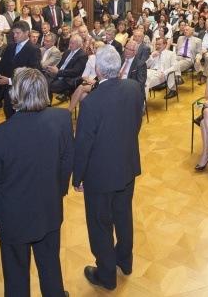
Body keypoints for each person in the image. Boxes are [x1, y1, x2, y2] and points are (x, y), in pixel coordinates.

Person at [0, 68, 73, 296]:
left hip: (13, 218)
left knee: (16, 275)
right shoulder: (61, 119)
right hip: (49, 209)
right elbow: (68, 158)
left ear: (14, 94)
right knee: (51, 266)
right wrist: (57, 191)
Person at [73, 47, 144, 291]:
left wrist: (77, 177)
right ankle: (125, 261)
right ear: (120, 67)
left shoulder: (91, 103)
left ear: (99, 71)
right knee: (123, 216)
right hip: (127, 166)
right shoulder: (135, 88)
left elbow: (83, 145)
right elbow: (136, 124)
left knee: (100, 225)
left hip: (100, 176)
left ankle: (106, 276)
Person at [0, 21, 42, 118]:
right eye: (13, 33)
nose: (15, 36)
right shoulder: (10, 46)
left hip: (23, 92)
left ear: (26, 33)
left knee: (22, 118)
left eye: (18, 33)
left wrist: (9, 81)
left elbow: (33, 73)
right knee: (9, 116)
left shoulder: (33, 49)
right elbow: (2, 63)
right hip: (8, 91)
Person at [46, 35, 88, 101]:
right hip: (59, 74)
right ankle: (47, 102)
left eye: (72, 43)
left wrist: (58, 71)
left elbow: (76, 71)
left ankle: (47, 104)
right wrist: (54, 68)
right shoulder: (67, 52)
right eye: (69, 43)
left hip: (69, 79)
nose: (70, 45)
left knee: (49, 86)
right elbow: (60, 65)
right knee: (45, 77)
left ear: (79, 44)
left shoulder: (82, 55)